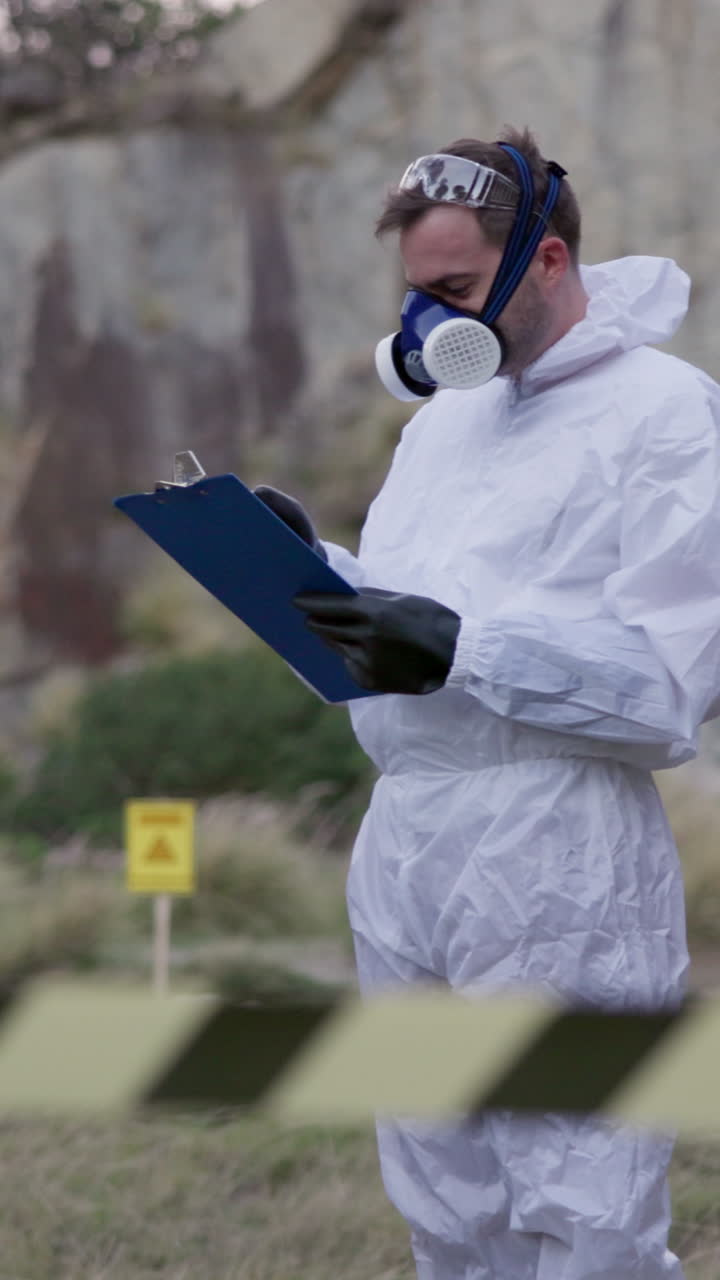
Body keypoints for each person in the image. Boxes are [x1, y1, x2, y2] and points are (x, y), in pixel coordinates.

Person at [256, 125, 720, 1279]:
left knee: (583, 1201)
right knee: (446, 1204)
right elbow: (421, 621)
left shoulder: (665, 414)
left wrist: (467, 650)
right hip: (408, 835)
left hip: (561, 850)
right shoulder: (442, 425)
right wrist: (311, 567)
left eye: (455, 291)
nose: (430, 327)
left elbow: (673, 688)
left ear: (549, 265)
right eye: (418, 296)